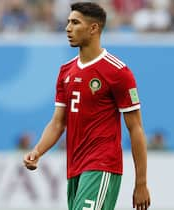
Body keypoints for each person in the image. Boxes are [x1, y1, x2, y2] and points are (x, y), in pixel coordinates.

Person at [23, 2, 151, 210]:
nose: (67, 28)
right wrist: (38, 151)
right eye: (67, 22)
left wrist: (141, 182)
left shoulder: (118, 72)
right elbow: (58, 123)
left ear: (94, 29)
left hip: (101, 166)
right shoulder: (66, 71)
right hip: (75, 168)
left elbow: (135, 128)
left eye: (75, 23)